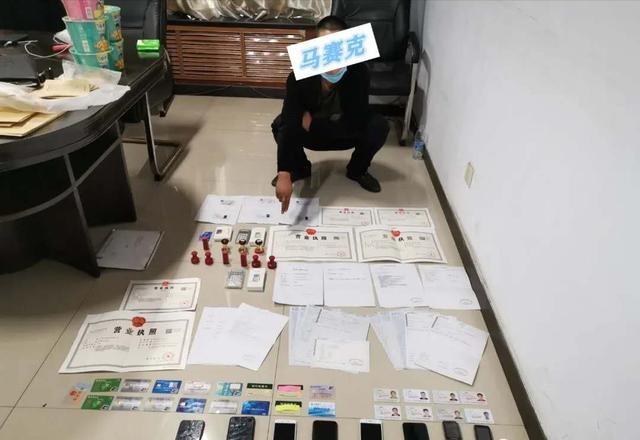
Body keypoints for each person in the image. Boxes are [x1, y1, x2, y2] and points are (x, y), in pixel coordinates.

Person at [272, 15, 390, 212]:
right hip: (312, 135)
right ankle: (299, 168)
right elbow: (290, 120)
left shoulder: (359, 73)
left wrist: (313, 124)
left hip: (343, 133)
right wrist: (284, 172)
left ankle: (357, 171)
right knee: (280, 124)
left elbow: (355, 121)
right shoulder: (298, 76)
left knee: (378, 126)